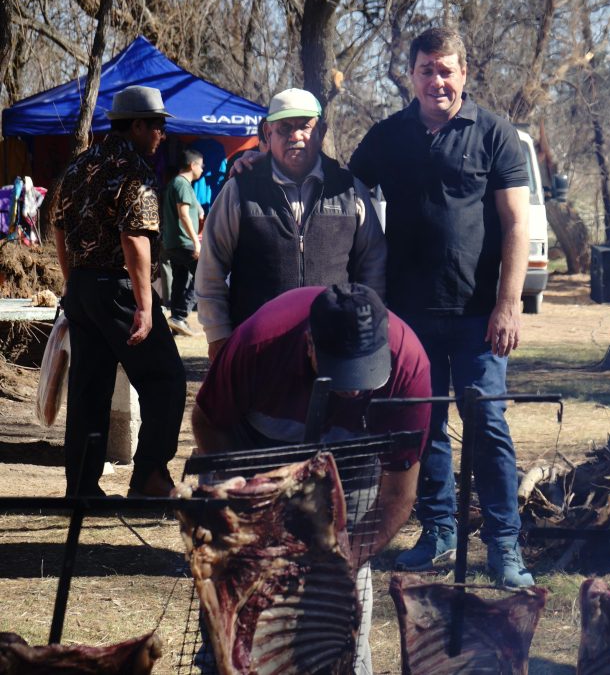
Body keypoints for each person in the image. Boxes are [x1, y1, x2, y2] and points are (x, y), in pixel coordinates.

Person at [348, 27, 533, 587]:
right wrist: (259, 162)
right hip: (408, 316)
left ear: (464, 73)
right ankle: (438, 530)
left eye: (446, 69)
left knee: (487, 423)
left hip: (478, 315)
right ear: (412, 75)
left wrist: (508, 305)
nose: (437, 81)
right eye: (426, 70)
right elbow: (340, 186)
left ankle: (503, 543)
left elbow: (516, 224)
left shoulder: (495, 133)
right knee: (423, 425)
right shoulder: (388, 136)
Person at [192, 283, 431, 675]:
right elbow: (207, 419)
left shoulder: (407, 363)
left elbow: (397, 497)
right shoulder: (258, 342)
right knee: (242, 589)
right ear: (309, 345)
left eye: (364, 374)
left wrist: (339, 566)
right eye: (342, 374)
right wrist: (251, 505)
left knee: (339, 610)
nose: (353, 389)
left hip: (352, 458)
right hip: (258, 446)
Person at [48, 85, 185, 497]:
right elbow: (134, 238)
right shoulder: (135, 170)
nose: (162, 134)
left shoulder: (79, 166)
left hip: (83, 288)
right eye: (157, 125)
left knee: (89, 390)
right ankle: (149, 476)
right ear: (137, 125)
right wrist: (144, 304)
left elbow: (58, 227)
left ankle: (82, 488)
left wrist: (73, 283)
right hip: (120, 289)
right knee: (165, 378)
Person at [196, 88, 386, 361]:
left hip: (334, 347)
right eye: (284, 128)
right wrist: (217, 334)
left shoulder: (350, 190)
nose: (295, 136)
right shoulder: (240, 190)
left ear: (321, 131)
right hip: (258, 348)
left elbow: (373, 264)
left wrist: (367, 324)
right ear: (268, 133)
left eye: (305, 126)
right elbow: (211, 269)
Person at [161, 148, 204, 336]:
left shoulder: (176, 183)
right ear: (192, 165)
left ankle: (177, 321)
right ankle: (180, 315)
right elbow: (184, 215)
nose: (202, 170)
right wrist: (196, 241)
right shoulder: (182, 184)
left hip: (174, 242)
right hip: (184, 242)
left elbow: (192, 212)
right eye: (201, 166)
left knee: (180, 279)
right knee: (204, 276)